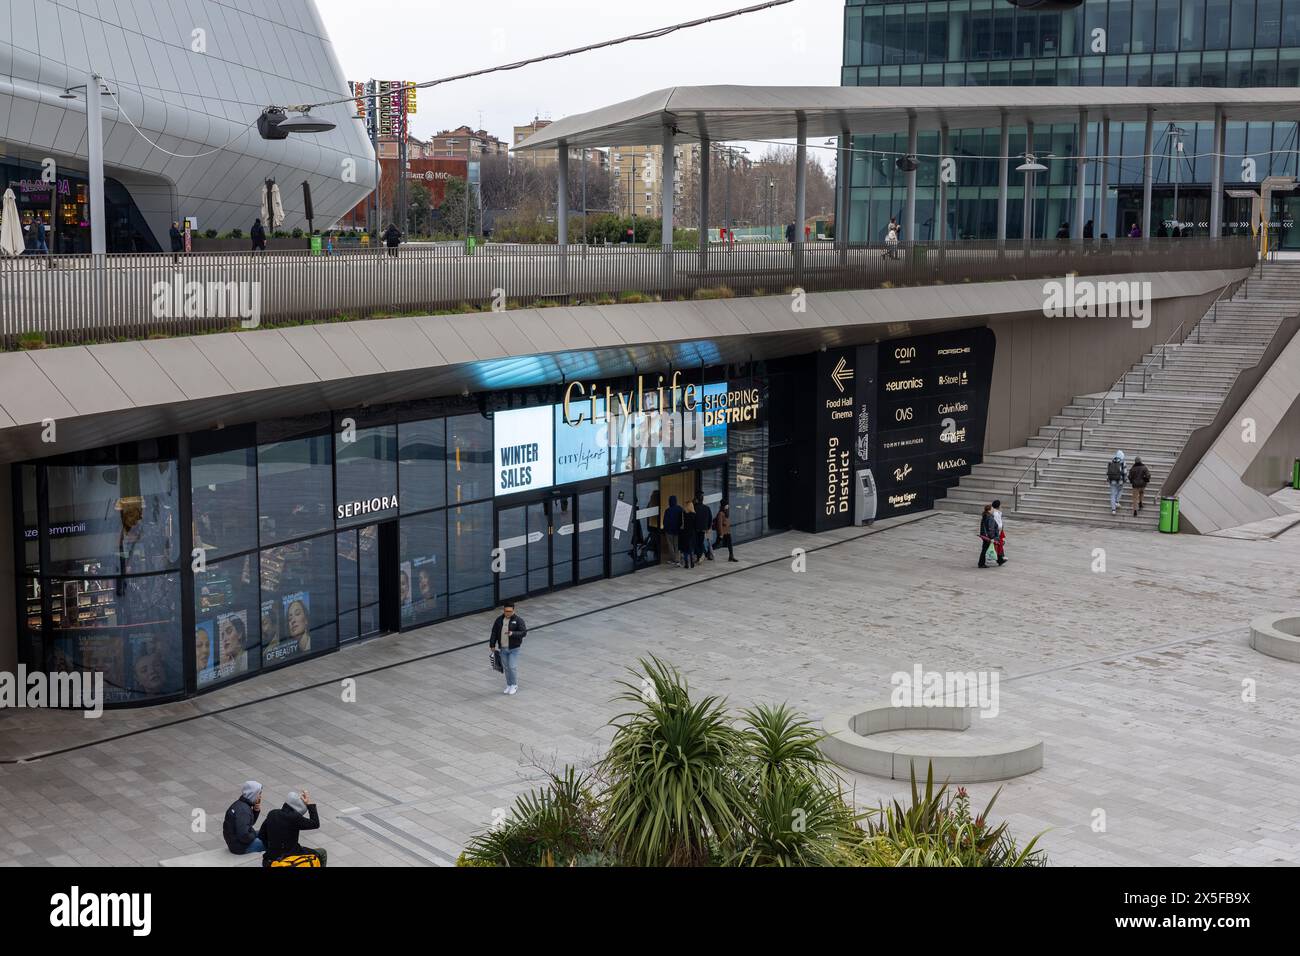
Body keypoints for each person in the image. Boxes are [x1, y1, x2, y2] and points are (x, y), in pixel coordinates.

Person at [258, 789, 326, 867]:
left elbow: (261, 835)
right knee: (322, 853)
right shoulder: (294, 817)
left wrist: (273, 848)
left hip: (270, 858)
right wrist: (309, 804)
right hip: (289, 855)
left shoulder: (272, 813)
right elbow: (315, 823)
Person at [489, 601, 527, 695]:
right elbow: (494, 632)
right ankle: (509, 684)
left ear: (513, 610)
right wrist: (492, 644)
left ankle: (514, 685)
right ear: (504, 610)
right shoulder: (499, 620)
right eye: (506, 611)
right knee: (506, 667)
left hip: (514, 648)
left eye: (510, 611)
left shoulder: (518, 620)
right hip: (503, 649)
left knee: (512, 666)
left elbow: (523, 632)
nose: (508, 613)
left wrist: (512, 633)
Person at [223, 781, 265, 855]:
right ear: (253, 794)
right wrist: (254, 834)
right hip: (240, 847)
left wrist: (255, 811)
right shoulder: (244, 811)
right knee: (270, 844)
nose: (260, 796)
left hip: (236, 841)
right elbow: (244, 836)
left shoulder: (241, 804)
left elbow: (248, 824)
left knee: (265, 833)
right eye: (259, 794)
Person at [662, 495, 683, 566]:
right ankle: (677, 559)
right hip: (677, 530)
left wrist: (665, 529)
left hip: (669, 531)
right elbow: (682, 520)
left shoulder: (668, 510)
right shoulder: (680, 509)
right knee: (677, 545)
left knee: (671, 545)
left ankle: (673, 559)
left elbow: (665, 521)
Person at [1107, 450, 1128, 515]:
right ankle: (1116, 501)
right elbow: (1125, 472)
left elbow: (1108, 471)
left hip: (1112, 480)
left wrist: (1108, 479)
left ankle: (1113, 510)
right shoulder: (1122, 462)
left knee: (1112, 494)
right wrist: (1125, 480)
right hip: (1120, 481)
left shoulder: (1111, 461)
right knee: (1120, 490)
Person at [694, 494, 714, 562]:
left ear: (697, 499)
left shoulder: (695, 508)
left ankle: (700, 555)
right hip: (703, 528)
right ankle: (701, 555)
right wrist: (707, 527)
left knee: (696, 543)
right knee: (700, 542)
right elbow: (710, 519)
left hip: (696, 528)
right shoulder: (707, 508)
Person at [978, 504, 998, 569]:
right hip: (988, 536)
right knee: (985, 549)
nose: (993, 510)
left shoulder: (985, 516)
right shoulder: (990, 517)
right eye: (992, 509)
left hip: (984, 535)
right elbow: (990, 528)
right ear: (989, 510)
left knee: (984, 549)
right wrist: (992, 537)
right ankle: (981, 563)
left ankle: (981, 563)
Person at [680, 500, 698, 569]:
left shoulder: (684, 514)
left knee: (685, 550)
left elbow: (682, 524)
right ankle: (692, 563)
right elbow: (696, 525)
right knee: (691, 549)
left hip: (685, 533)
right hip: (692, 533)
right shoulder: (694, 515)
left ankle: (686, 564)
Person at [990, 499, 1007, 566]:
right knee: (998, 545)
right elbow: (998, 524)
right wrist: (1001, 528)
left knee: (999, 545)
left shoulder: (995, 512)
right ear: (998, 506)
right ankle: (999, 559)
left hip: (996, 531)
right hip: (997, 532)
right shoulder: (996, 513)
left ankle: (1000, 559)